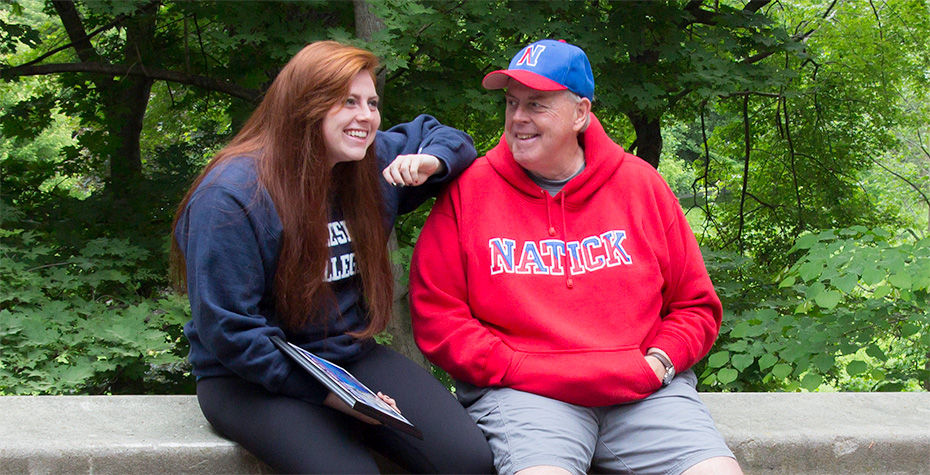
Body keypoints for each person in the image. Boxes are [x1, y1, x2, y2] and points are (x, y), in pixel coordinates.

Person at [409, 39, 742, 475]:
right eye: (511, 103)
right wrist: (516, 366)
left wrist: (659, 362)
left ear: (581, 113)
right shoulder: (470, 190)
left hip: (643, 395)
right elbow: (438, 315)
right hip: (527, 396)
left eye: (537, 104)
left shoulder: (640, 185)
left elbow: (695, 305)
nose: (518, 119)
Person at [170, 41, 493, 474]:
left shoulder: (370, 164)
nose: (367, 116)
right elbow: (229, 330)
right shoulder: (233, 196)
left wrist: (432, 161)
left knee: (468, 461)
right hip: (252, 377)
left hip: (348, 356)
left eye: (372, 103)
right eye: (348, 102)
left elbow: (448, 137)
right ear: (305, 106)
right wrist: (337, 397)